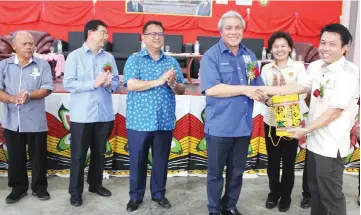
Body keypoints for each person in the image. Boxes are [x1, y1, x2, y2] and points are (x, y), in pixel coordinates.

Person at [258, 23, 359, 215]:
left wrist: (305, 130)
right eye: (322, 43)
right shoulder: (314, 67)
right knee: (315, 190)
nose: (325, 48)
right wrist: (266, 90)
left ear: (346, 47)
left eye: (332, 44)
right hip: (314, 143)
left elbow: (334, 111)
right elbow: (298, 87)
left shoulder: (348, 72)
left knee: (331, 195)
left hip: (330, 145)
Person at [200, 11, 267, 215]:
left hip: (243, 126)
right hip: (220, 128)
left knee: (237, 173)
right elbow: (212, 89)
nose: (233, 32)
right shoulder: (212, 55)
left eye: (238, 27)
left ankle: (229, 206)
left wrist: (271, 97)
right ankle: (214, 209)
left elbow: (258, 85)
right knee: (215, 174)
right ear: (221, 31)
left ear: (243, 31)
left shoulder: (249, 56)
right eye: (229, 28)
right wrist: (244, 89)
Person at [123, 20, 185, 212]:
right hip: (139, 121)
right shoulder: (134, 59)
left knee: (161, 160)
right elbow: (131, 84)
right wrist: (158, 81)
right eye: (153, 34)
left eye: (160, 34)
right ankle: (136, 197)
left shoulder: (171, 62)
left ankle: (158, 194)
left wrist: (173, 83)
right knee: (138, 161)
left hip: (164, 120)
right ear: (144, 38)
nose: (157, 37)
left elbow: (181, 89)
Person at [63, 20, 120, 207]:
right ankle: (75, 192)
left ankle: (95, 185)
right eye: (103, 32)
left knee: (99, 153)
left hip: (104, 114)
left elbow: (116, 84)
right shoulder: (75, 57)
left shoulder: (108, 58)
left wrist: (109, 83)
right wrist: (93, 83)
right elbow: (68, 83)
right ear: (90, 33)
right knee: (78, 156)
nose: (106, 36)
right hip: (82, 116)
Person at [0, 31, 53, 203]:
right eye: (25, 44)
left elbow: (47, 88)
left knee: (38, 157)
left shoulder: (42, 65)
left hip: (35, 121)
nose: (30, 46)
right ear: (14, 46)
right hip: (12, 120)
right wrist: (11, 98)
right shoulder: (4, 66)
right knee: (16, 157)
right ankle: (18, 188)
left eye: (31, 43)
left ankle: (39, 188)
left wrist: (29, 95)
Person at [260, 31, 309, 212]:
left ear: (289, 48)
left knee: (288, 163)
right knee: (272, 162)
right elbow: (261, 93)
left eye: (283, 46)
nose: (279, 49)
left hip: (291, 122)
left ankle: (286, 196)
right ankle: (274, 194)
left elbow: (304, 89)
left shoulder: (298, 68)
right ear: (271, 49)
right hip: (271, 121)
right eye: (275, 46)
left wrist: (281, 93)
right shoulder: (266, 69)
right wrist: (267, 99)